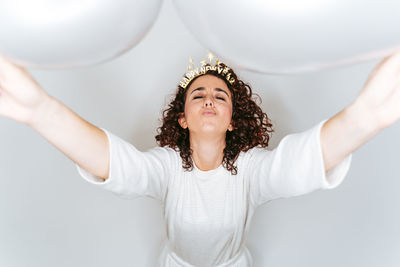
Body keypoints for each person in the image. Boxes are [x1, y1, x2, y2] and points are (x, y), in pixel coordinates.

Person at [0, 51, 399, 267]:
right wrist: (40, 110)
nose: (209, 98)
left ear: (230, 120)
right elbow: (116, 163)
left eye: (220, 96)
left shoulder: (252, 169)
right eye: (198, 95)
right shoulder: (166, 167)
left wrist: (364, 118)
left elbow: (298, 165)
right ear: (183, 117)